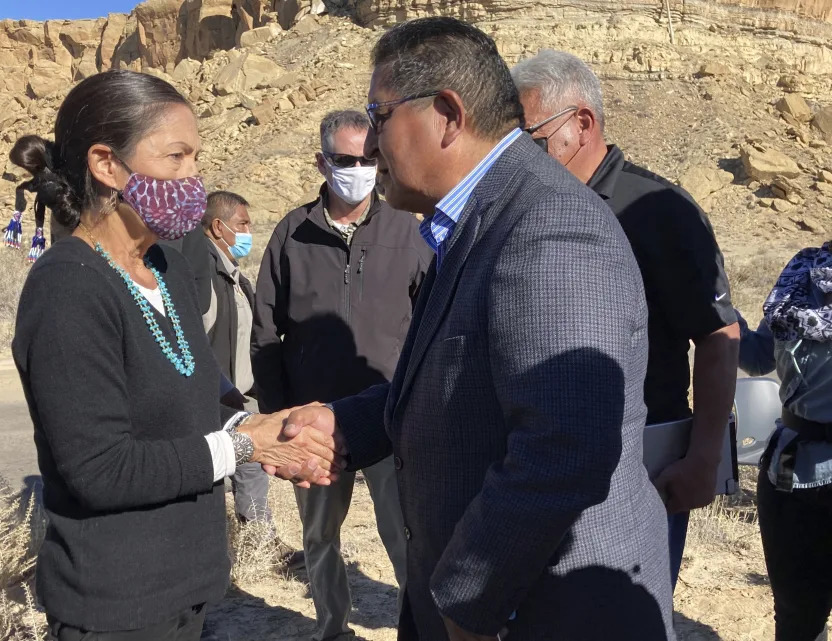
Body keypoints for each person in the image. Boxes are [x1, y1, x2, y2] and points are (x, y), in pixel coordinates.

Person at [275, 18, 674, 641]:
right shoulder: (471, 221)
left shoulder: (548, 230)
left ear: (447, 114)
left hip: (543, 613)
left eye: (380, 117)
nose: (373, 146)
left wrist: (468, 601)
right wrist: (344, 422)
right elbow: (458, 380)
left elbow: (564, 447)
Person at [9, 69, 340, 641]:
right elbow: (99, 470)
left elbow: (197, 397)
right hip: (116, 604)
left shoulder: (166, 268)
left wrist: (265, 430)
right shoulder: (68, 288)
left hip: (187, 589)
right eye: (176, 158)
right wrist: (241, 448)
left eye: (196, 159)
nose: (194, 178)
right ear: (107, 165)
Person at [510, 50, 740, 588]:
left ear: (582, 124)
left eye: (530, 139)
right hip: (540, 463)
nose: (520, 157)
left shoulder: (659, 209)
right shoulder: (532, 204)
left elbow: (717, 335)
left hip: (639, 473)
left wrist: (704, 457)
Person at [252, 109, 428, 641]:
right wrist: (277, 418)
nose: (359, 168)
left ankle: (416, 629)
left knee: (404, 536)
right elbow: (265, 331)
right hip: (312, 424)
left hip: (388, 417)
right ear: (321, 162)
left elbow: (432, 326)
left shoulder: (407, 228)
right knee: (319, 536)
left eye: (369, 158)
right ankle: (332, 628)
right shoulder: (292, 233)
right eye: (345, 159)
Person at [196, 190, 303, 567]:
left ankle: (258, 543)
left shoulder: (234, 276)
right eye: (241, 224)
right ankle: (233, 551)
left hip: (241, 396)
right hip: (217, 398)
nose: (247, 232)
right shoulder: (202, 274)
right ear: (217, 226)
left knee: (251, 470)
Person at [737, 244, 832, 641]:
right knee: (796, 619)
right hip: (793, 474)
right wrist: (717, 311)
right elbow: (759, 357)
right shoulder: (803, 274)